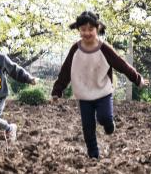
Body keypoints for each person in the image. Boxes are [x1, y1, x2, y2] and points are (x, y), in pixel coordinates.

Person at [51, 11, 145, 159]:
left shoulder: (104, 48)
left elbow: (122, 65)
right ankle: (93, 155)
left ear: (98, 28)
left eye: (90, 29)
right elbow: (66, 70)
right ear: (78, 30)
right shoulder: (75, 49)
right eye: (83, 29)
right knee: (88, 128)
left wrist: (138, 79)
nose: (87, 33)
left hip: (103, 91)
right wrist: (57, 90)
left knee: (105, 118)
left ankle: (109, 126)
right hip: (84, 94)